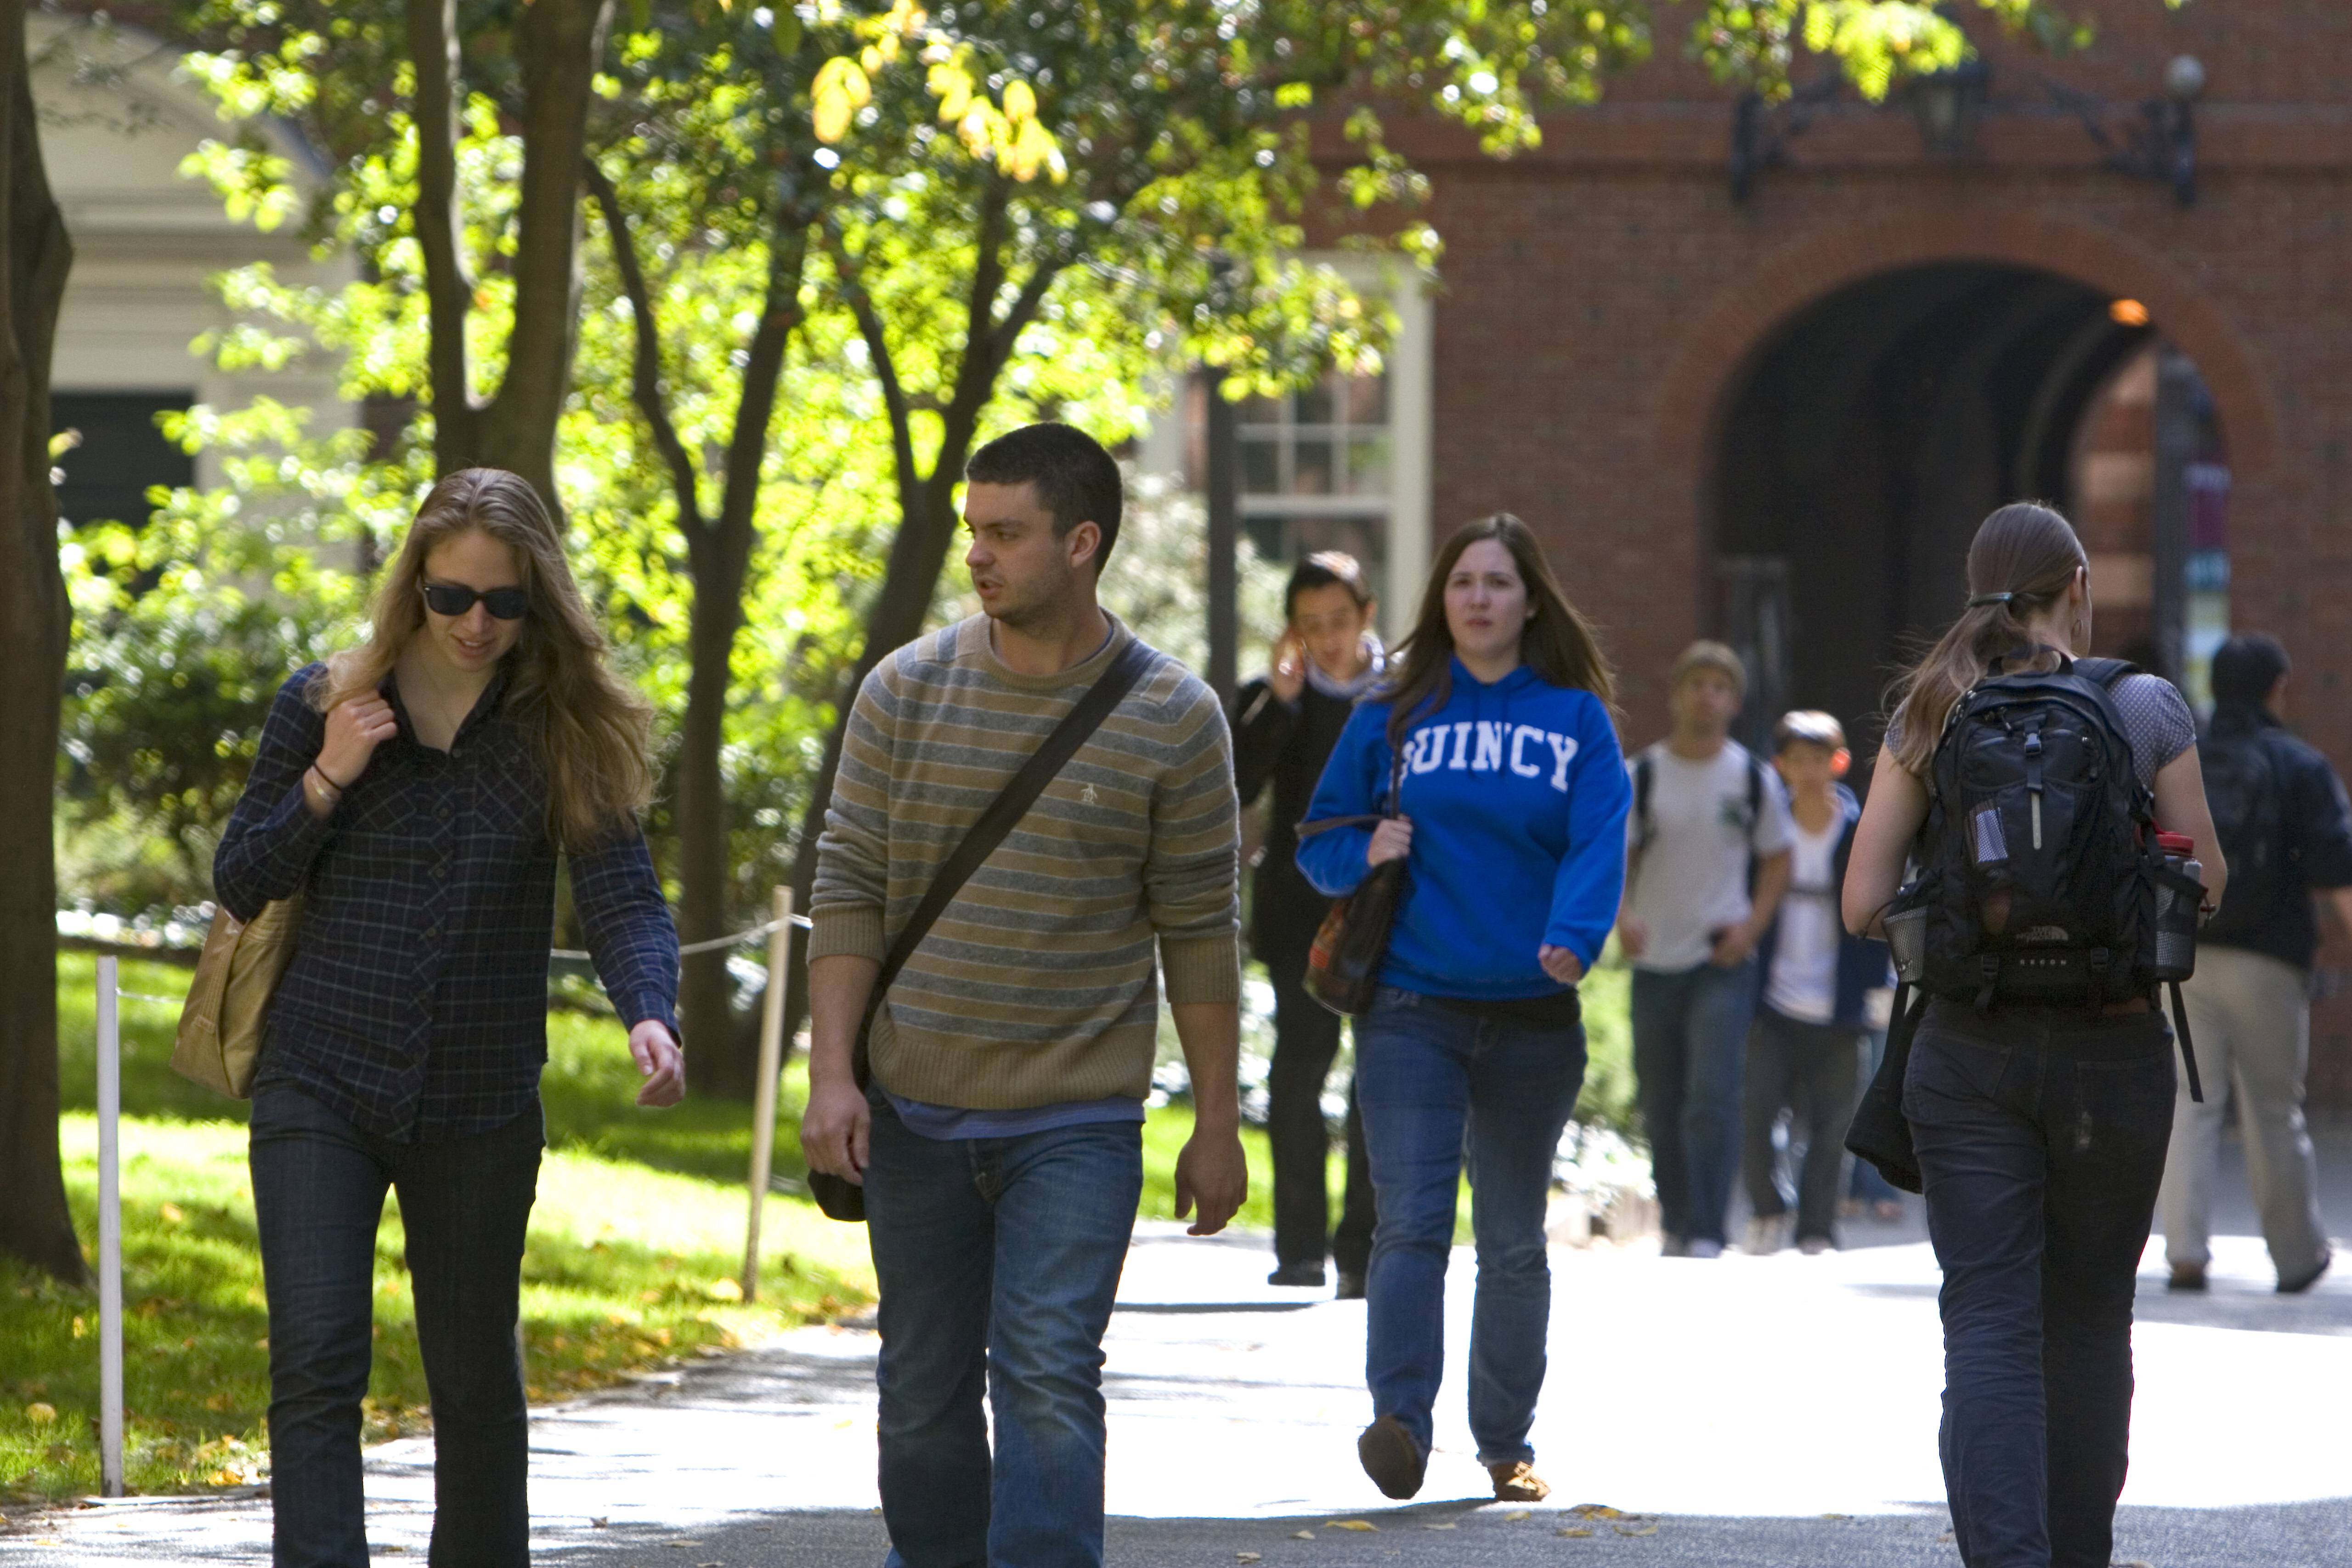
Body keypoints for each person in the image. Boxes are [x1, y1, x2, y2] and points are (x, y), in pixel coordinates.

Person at [214, 469, 685, 1568]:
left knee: (474, 1376)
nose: (477, 624)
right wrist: (329, 775)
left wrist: (648, 1012)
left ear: (539, 600)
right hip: (319, 1076)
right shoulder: (324, 698)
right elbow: (243, 875)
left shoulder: (561, 726)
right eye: (452, 597)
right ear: (413, 586)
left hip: (479, 1099)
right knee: (318, 1357)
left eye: (505, 603)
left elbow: (621, 890)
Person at [798, 422, 1248, 1568]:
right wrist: (832, 1075)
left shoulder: (1173, 716)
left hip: (1077, 1117)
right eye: (972, 532)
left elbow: (1199, 929)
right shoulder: (904, 691)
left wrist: (1217, 1118)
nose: (979, 557)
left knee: (1046, 1370)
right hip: (914, 1110)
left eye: (1006, 534)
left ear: (1081, 541)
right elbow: (848, 885)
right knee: (920, 1394)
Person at [1842, 501, 2227, 1568]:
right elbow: (2209, 886)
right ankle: (2075, 1554)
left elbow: (1860, 898)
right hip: (2112, 1049)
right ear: (2077, 587)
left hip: (1967, 1052)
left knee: (1988, 1315)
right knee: (2091, 1318)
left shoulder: (1929, 708)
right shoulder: (2144, 704)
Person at [1298, 513, 1628, 1506]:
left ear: (1531, 599)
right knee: (1410, 1222)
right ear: (1441, 602)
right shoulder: (1392, 712)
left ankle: (1505, 1442)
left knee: (1514, 1238)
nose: (1478, 597)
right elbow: (1319, 840)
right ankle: (1399, 1420)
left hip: (1532, 1014)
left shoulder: (1575, 719)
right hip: (1409, 1006)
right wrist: (1368, 851)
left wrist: (1575, 934)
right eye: (1461, 583)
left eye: (1497, 581)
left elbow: (1597, 838)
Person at [2158, 633, 2352, 1295]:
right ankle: (2295, 1257)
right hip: (2271, 959)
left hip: (2187, 952)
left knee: (2190, 1100)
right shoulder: (2299, 765)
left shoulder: (2189, 761)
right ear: (2278, 687)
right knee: (2274, 1108)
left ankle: (2184, 1250)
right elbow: (2337, 866)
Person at [1231, 552, 1382, 1295]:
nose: (1327, 639)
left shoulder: (1403, 695)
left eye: (1341, 622)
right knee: (1298, 1072)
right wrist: (1282, 705)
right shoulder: (1273, 699)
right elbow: (1239, 778)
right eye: (1311, 625)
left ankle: (1362, 1250)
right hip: (1297, 913)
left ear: (1367, 615)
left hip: (1384, 912)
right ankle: (1300, 1247)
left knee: (1376, 1082)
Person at [1617, 642, 1793, 1257]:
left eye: (1721, 686)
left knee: (1710, 1095)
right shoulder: (1643, 774)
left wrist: (1752, 927)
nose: (1707, 696)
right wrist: (1622, 916)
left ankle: (1709, 1229)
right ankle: (1676, 1216)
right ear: (1677, 694)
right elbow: (1620, 858)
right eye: (1698, 684)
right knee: (1661, 1097)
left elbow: (1778, 858)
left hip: (1722, 957)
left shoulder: (1752, 777)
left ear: (1735, 702)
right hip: (1655, 955)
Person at [1740, 711, 1890, 1256]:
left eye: (1818, 759)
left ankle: (1816, 1228)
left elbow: (1876, 911)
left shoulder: (1857, 835)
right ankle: (1767, 1208)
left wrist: (1878, 986)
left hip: (1839, 1002)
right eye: (1796, 760)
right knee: (1756, 1112)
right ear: (1779, 767)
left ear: (1839, 762)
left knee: (1832, 1127)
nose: (1807, 771)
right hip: (1772, 1000)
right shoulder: (1765, 831)